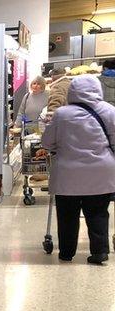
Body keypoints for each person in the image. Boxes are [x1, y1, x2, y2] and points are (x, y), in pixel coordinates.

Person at [40, 75, 115, 264]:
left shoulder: (62, 114)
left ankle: (66, 252)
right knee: (98, 212)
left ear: (72, 90)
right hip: (101, 173)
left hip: (68, 174)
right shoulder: (110, 111)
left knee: (67, 215)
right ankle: (99, 252)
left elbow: (47, 142)